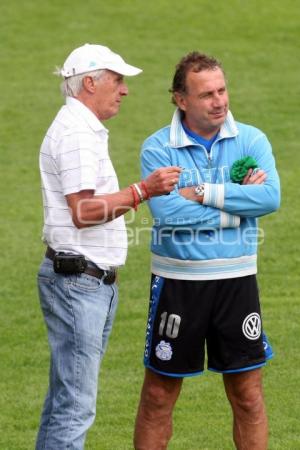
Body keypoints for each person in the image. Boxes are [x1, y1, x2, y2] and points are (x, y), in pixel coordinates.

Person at [36, 43, 181, 450]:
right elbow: (82, 211)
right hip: (77, 282)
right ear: (88, 83)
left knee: (66, 400)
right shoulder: (77, 134)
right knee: (75, 406)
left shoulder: (80, 128)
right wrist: (143, 190)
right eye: (117, 81)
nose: (124, 90)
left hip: (84, 281)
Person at [134, 52, 280, 450]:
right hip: (178, 285)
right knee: (158, 397)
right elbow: (167, 212)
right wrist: (237, 208)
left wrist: (201, 192)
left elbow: (269, 198)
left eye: (222, 90)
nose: (219, 101)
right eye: (206, 95)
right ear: (181, 100)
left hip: (236, 283)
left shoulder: (251, 139)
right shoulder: (158, 148)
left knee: (248, 396)